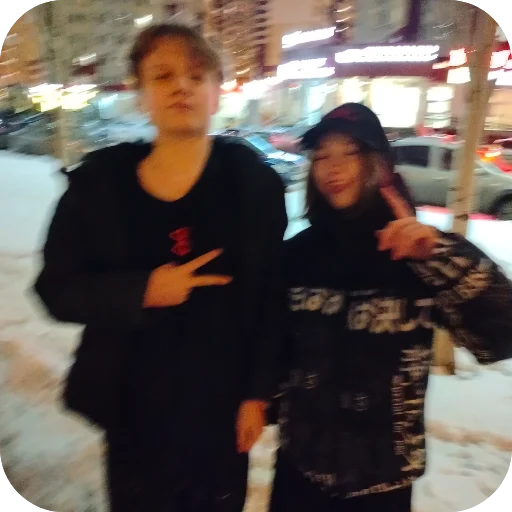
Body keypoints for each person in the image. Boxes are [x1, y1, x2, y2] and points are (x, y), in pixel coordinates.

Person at [34, 24, 287, 512]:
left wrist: (257, 395)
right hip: (132, 410)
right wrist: (142, 291)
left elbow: (270, 300)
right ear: (140, 94)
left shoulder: (250, 185)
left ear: (216, 93)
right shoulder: (100, 188)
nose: (181, 87)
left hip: (219, 411)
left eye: (196, 75)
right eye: (163, 75)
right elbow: (55, 288)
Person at [270, 103, 512, 512]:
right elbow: (271, 352)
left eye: (349, 152)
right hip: (299, 474)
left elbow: (500, 335)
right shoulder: (298, 256)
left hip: (382, 486)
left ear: (380, 165)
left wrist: (439, 254)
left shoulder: (414, 253)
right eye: (322, 156)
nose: (333, 167)